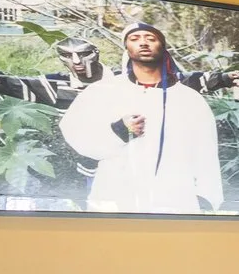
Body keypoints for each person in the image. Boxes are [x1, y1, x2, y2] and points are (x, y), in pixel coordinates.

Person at [58, 23, 224, 212]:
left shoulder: (190, 99)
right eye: (135, 39)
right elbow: (75, 134)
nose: (143, 43)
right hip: (115, 202)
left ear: (162, 47)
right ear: (126, 48)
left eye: (151, 39)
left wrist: (206, 199)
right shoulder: (102, 91)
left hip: (176, 203)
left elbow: (206, 154)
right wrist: (119, 131)